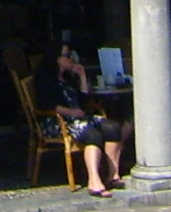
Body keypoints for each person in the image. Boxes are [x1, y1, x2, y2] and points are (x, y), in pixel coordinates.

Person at [41, 42, 124, 197]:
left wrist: (82, 76)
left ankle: (113, 175)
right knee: (93, 135)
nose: (71, 59)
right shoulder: (45, 79)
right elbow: (47, 105)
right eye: (67, 56)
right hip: (59, 121)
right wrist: (71, 112)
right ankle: (94, 180)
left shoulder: (68, 78)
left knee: (113, 127)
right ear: (56, 58)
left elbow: (84, 101)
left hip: (80, 117)